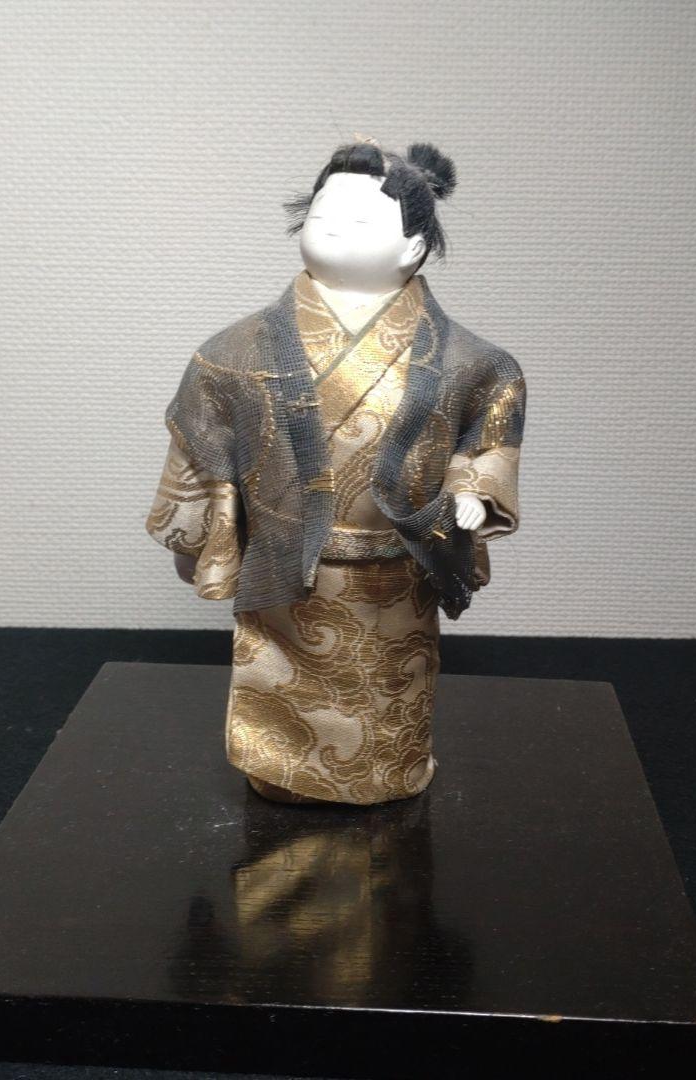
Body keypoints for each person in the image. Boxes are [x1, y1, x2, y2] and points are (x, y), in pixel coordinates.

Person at [146, 138, 526, 805]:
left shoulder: (471, 362)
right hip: (286, 569)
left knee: (390, 687)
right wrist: (198, 533)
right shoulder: (236, 351)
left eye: (359, 220)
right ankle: (281, 773)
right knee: (281, 684)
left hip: (396, 569)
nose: (331, 227)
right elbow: (202, 438)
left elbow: (485, 434)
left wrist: (471, 491)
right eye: (320, 213)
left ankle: (393, 770)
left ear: (414, 248)